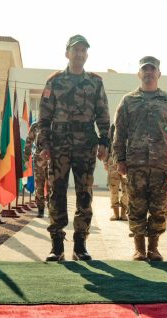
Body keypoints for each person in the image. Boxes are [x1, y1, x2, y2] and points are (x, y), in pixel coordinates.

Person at [38, 34, 110, 261]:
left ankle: (80, 245)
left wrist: (104, 142)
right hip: (58, 145)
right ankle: (57, 246)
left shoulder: (95, 82)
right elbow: (44, 117)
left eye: (83, 50)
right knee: (56, 193)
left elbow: (103, 114)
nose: (79, 53)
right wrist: (44, 145)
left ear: (86, 55)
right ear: (66, 53)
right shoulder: (54, 81)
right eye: (75, 50)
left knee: (84, 194)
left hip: (85, 145)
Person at [113, 56, 167, 261]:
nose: (149, 73)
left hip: (162, 165)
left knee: (159, 209)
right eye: (145, 69)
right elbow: (119, 133)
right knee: (136, 207)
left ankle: (153, 248)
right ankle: (139, 249)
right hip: (135, 165)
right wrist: (119, 159)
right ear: (139, 74)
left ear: (159, 74)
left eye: (152, 69)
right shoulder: (128, 101)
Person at [23, 121, 48, 217]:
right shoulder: (35, 125)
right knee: (39, 185)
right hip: (39, 161)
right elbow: (29, 141)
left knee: (53, 185)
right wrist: (26, 158)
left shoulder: (55, 124)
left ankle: (52, 209)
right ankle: (40, 209)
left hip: (53, 160)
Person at [105, 124, 128, 221]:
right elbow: (109, 144)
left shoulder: (130, 124)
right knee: (113, 189)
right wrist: (106, 161)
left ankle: (123, 214)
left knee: (127, 189)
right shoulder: (114, 126)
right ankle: (116, 214)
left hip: (127, 161)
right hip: (113, 161)